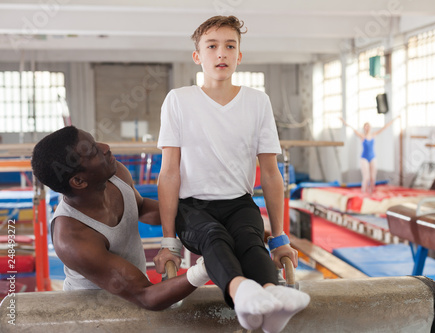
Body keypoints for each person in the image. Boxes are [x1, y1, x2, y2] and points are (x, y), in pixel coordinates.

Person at [153, 15, 310, 333]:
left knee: (251, 242)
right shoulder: (179, 101)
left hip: (240, 203)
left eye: (229, 46)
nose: (221, 53)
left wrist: (279, 237)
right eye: (211, 46)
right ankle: (243, 292)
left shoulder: (257, 102)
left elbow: (270, 172)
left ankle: (270, 297)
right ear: (198, 57)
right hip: (194, 207)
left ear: (239, 56)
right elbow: (169, 173)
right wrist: (169, 239)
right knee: (215, 238)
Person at [31, 126, 210, 311]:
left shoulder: (116, 175)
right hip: (94, 316)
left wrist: (197, 211)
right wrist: (207, 268)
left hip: (135, 297)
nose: (106, 147)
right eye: (93, 151)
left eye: (94, 141)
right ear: (79, 181)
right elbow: (146, 295)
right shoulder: (72, 237)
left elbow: (140, 208)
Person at [340, 115, 400, 193]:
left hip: (372, 157)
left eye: (368, 126)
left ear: (370, 127)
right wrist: (344, 122)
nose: (367, 128)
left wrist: (395, 119)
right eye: (365, 126)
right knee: (366, 178)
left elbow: (384, 127)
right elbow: (352, 129)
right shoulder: (362, 136)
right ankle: (363, 191)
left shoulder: (373, 135)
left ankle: (371, 192)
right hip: (364, 157)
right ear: (364, 128)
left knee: (372, 178)